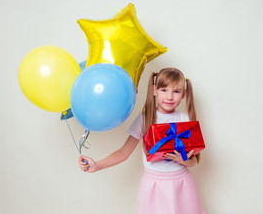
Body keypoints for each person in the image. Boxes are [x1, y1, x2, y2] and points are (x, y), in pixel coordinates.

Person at [78, 68, 204, 214]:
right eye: (164, 90)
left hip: (182, 185)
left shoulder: (185, 120)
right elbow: (124, 152)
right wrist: (97, 165)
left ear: (184, 94)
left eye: (176, 91)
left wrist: (184, 161)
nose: (169, 96)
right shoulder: (145, 119)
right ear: (154, 90)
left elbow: (194, 160)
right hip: (154, 186)